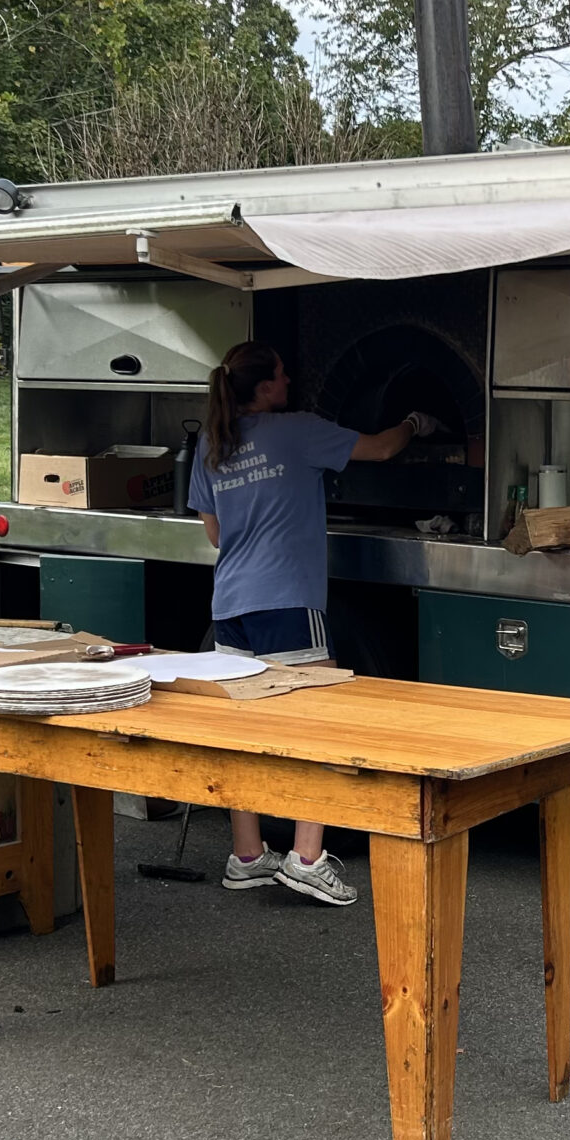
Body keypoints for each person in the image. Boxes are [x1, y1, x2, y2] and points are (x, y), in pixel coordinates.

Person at [187, 340, 433, 905]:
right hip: (287, 600)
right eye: (281, 374)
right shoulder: (297, 430)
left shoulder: (212, 440)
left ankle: (247, 856)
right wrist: (416, 423)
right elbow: (380, 449)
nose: (289, 380)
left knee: (244, 733)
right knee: (319, 725)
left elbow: (215, 533)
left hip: (230, 604)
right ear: (264, 387)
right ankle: (305, 859)